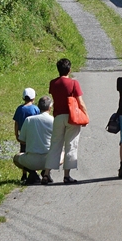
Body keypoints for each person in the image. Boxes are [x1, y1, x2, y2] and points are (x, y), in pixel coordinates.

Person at [44, 57, 86, 185]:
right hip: (71, 117)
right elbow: (80, 102)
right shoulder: (74, 83)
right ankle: (67, 175)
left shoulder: (53, 83)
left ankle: (46, 173)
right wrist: (85, 115)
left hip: (58, 116)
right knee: (71, 145)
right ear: (69, 69)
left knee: (55, 144)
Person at [13, 95, 54, 185]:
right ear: (50, 108)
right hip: (48, 160)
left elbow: (22, 139)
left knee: (16, 158)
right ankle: (46, 172)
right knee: (62, 154)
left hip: (31, 160)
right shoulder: (53, 120)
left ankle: (32, 173)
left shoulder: (28, 120)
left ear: (38, 107)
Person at [13, 88, 40, 183]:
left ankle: (24, 174)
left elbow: (16, 122)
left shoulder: (19, 109)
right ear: (33, 98)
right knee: (33, 152)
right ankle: (34, 171)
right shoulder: (35, 109)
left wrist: (16, 134)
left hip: (23, 135)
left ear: (23, 98)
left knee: (23, 152)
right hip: (33, 134)